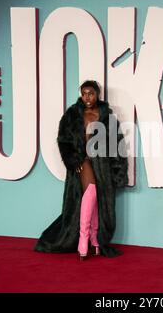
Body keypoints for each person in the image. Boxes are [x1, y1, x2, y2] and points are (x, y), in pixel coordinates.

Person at [34, 80, 128, 260]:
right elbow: (63, 140)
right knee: (91, 192)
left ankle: (95, 240)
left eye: (91, 93)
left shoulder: (107, 117)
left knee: (96, 201)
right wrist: (71, 159)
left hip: (102, 164)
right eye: (84, 93)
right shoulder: (72, 114)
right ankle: (84, 240)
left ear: (97, 94)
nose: (87, 97)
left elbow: (118, 144)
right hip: (82, 160)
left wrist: (118, 172)